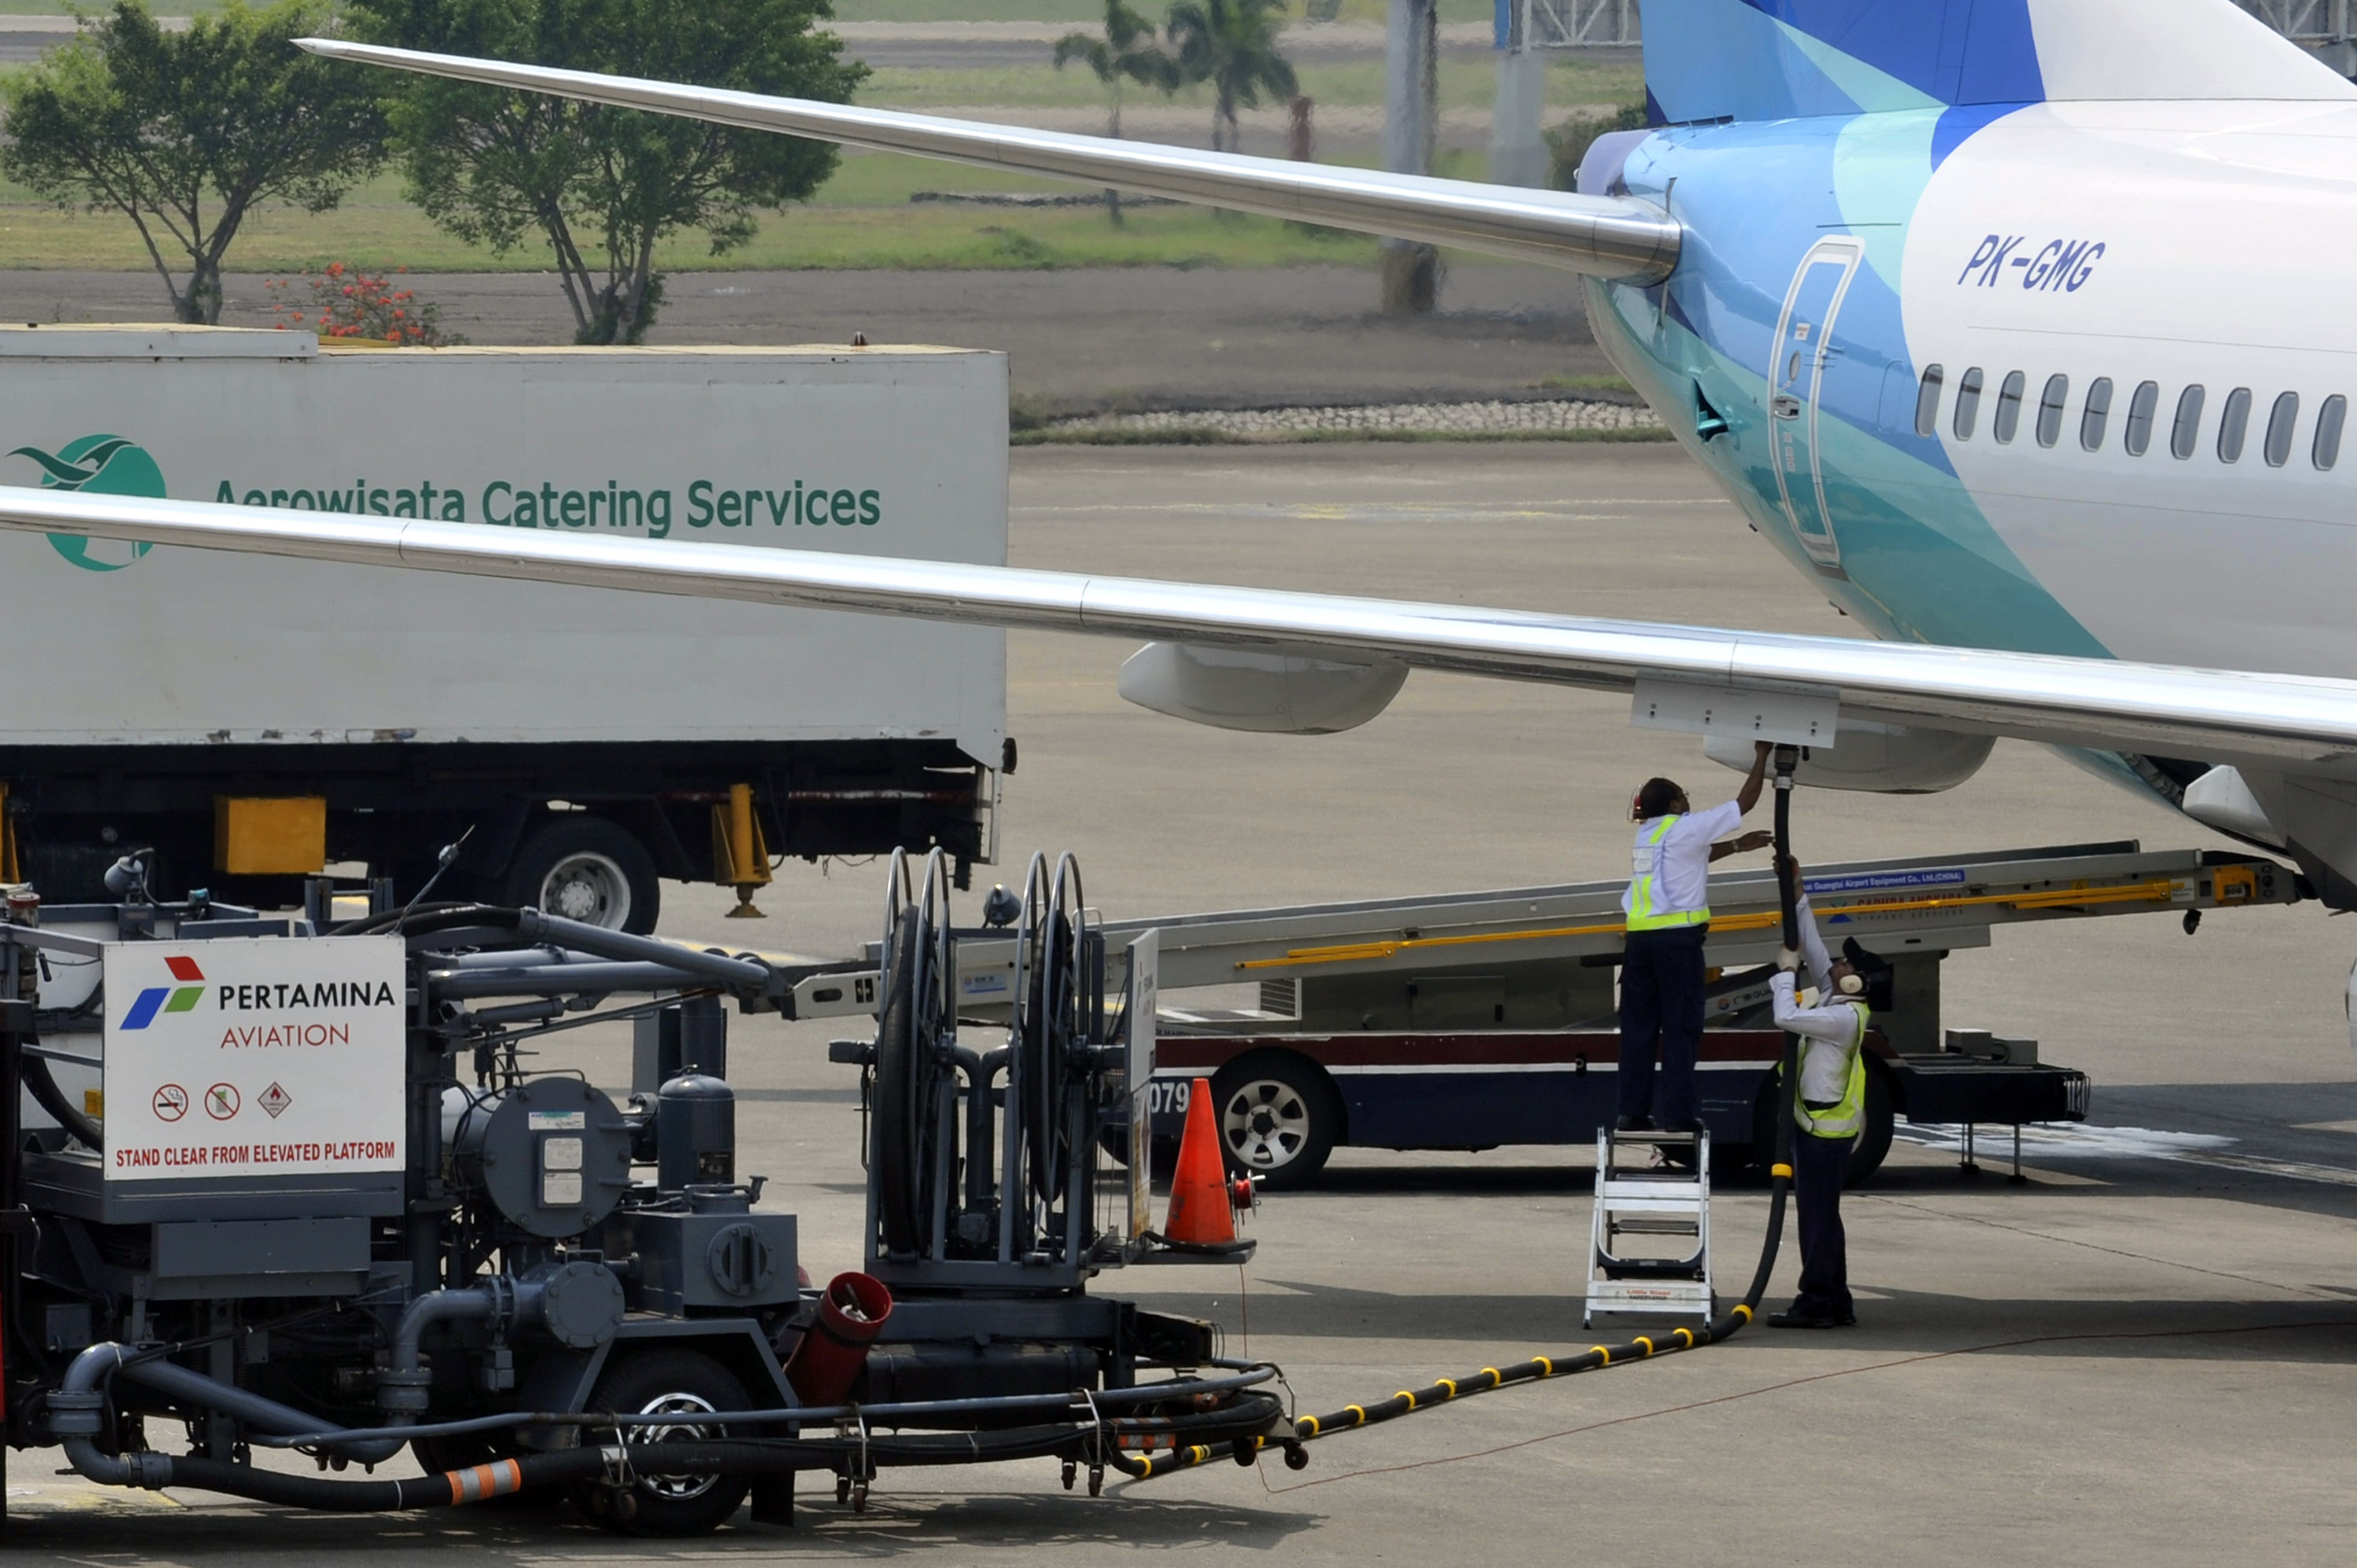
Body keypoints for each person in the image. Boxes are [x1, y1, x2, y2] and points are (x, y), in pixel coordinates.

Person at [1616, 741, 1775, 1134]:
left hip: (1639, 944)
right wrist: (1761, 757)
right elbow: (1745, 803)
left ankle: (1632, 1112)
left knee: (1639, 1031)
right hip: (1676, 945)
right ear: (1672, 805)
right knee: (1681, 1029)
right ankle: (1680, 1116)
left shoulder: (1648, 837)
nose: (1688, 801)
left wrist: (1738, 847)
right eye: (1683, 796)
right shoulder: (1686, 828)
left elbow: (1693, 858)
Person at [1765, 860, 1890, 1329]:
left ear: (1855, 982)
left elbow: (1785, 1018)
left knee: (1815, 1221)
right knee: (1825, 1219)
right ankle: (1836, 1298)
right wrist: (1797, 893)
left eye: (1846, 964)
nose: (1837, 963)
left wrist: (1783, 976)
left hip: (1822, 1133)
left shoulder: (1840, 1018)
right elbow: (1813, 946)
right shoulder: (1835, 1000)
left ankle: (1816, 1302)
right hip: (1819, 1130)